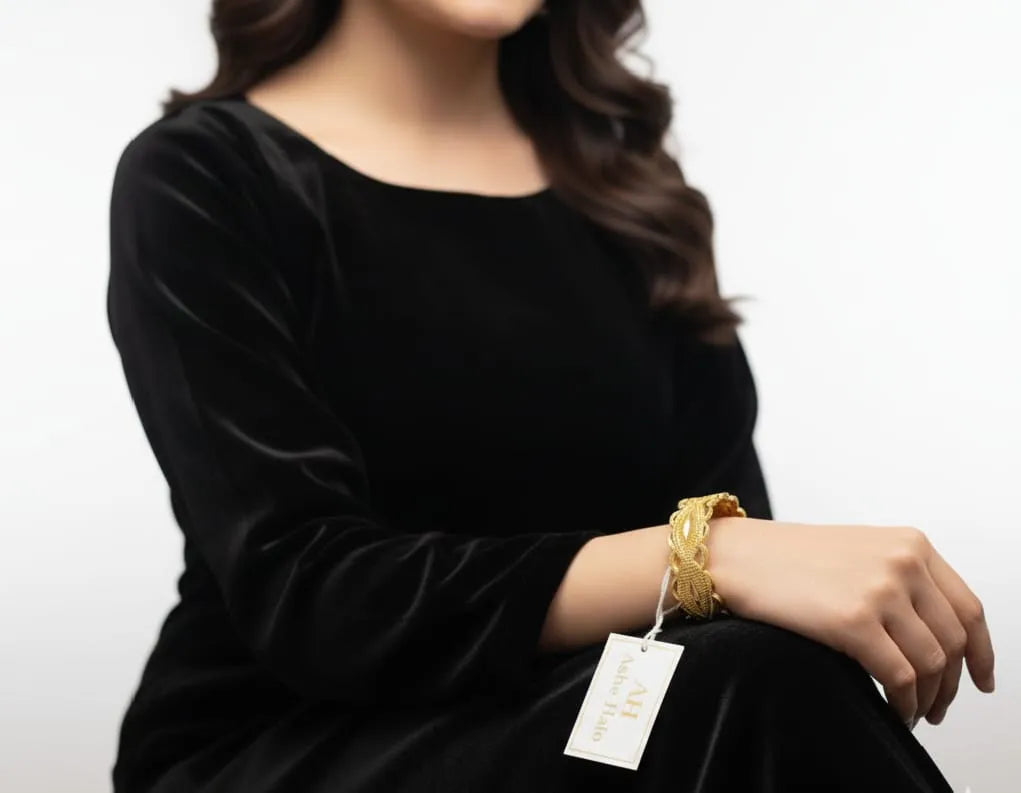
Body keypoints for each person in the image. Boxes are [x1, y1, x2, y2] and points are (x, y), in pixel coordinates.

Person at [105, 1, 996, 791]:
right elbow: (309, 591)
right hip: (287, 742)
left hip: (583, 717)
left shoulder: (629, 196)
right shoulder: (207, 176)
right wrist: (704, 555)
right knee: (751, 681)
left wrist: (728, 571)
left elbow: (733, 603)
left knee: (761, 668)